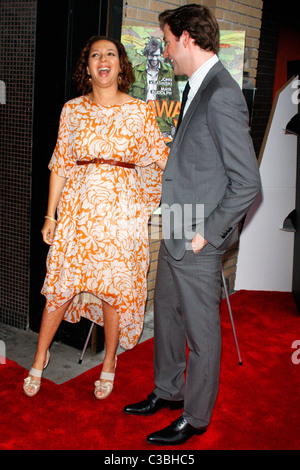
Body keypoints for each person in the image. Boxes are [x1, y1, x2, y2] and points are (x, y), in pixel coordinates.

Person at [123, 4, 261, 445]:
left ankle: (196, 416)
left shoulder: (221, 91)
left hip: (198, 235)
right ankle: (168, 391)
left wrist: (207, 235)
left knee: (202, 333)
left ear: (187, 38)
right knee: (166, 314)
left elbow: (247, 183)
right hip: (176, 225)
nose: (164, 50)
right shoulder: (196, 88)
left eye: (166, 40)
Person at [23, 35, 168, 399]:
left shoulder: (140, 111)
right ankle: (40, 357)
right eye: (94, 55)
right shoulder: (72, 110)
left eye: (111, 54)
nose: (103, 60)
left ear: (121, 65)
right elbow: (59, 163)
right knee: (58, 287)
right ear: (87, 67)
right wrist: (49, 216)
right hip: (77, 212)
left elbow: (161, 161)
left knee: (113, 290)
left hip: (122, 215)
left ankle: (109, 364)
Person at [129, 36, 179, 139]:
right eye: (152, 55)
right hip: (138, 125)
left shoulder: (169, 73)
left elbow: (175, 101)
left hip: (162, 127)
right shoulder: (135, 72)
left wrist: (175, 123)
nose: (155, 59)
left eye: (157, 55)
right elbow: (126, 99)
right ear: (147, 54)